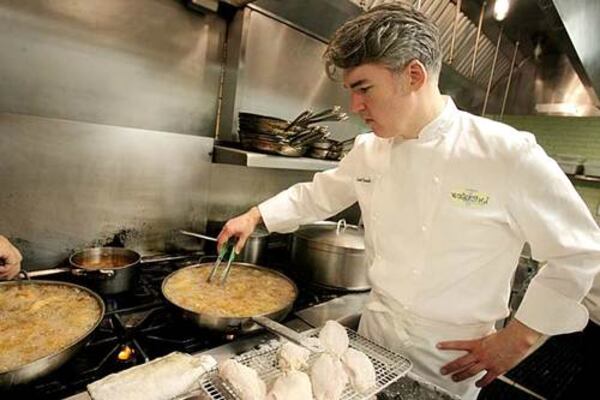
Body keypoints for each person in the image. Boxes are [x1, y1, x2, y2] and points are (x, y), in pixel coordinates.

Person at [217, 4, 600, 399]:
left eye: (364, 88)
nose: (355, 107)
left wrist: (520, 337)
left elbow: (579, 251)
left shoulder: (506, 153)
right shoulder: (370, 150)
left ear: (413, 75)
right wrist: (256, 215)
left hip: (449, 360)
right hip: (370, 346)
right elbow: (320, 193)